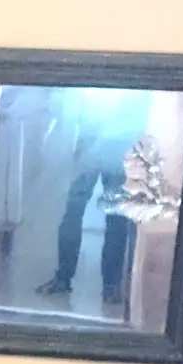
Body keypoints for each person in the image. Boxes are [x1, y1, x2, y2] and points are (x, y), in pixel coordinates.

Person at [36, 91, 151, 304]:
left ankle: (105, 285)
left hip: (117, 141)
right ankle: (97, 284)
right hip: (99, 138)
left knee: (107, 216)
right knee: (81, 211)